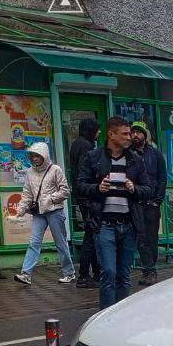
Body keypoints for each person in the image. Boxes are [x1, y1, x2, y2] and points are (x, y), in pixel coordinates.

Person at [76, 116, 152, 309]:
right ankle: (105, 317)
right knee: (108, 272)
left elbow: (148, 188)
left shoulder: (135, 160)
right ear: (111, 134)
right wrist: (97, 188)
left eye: (131, 133)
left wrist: (134, 188)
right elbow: (80, 185)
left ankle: (121, 317)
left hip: (128, 225)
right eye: (125, 133)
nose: (130, 137)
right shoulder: (93, 157)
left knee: (124, 274)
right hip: (104, 224)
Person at [13, 142, 76, 286]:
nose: (34, 158)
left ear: (44, 156)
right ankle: (26, 274)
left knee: (60, 243)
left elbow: (65, 190)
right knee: (34, 242)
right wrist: (20, 211)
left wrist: (50, 199)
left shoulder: (55, 170)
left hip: (54, 211)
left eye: (37, 156)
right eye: (32, 156)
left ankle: (69, 273)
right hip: (39, 213)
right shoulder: (30, 172)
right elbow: (27, 194)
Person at [129, 121, 166, 286]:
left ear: (145, 135)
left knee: (151, 238)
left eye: (139, 132)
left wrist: (157, 200)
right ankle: (148, 269)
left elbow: (162, 178)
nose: (135, 135)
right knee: (141, 238)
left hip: (152, 203)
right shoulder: (128, 154)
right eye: (133, 132)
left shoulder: (155, 154)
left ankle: (151, 270)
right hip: (136, 202)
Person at [69, 117, 101, 287]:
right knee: (91, 235)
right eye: (97, 129)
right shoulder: (86, 146)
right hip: (87, 196)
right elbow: (86, 172)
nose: (99, 133)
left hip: (81, 195)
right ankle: (84, 275)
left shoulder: (76, 144)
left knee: (92, 233)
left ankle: (95, 272)